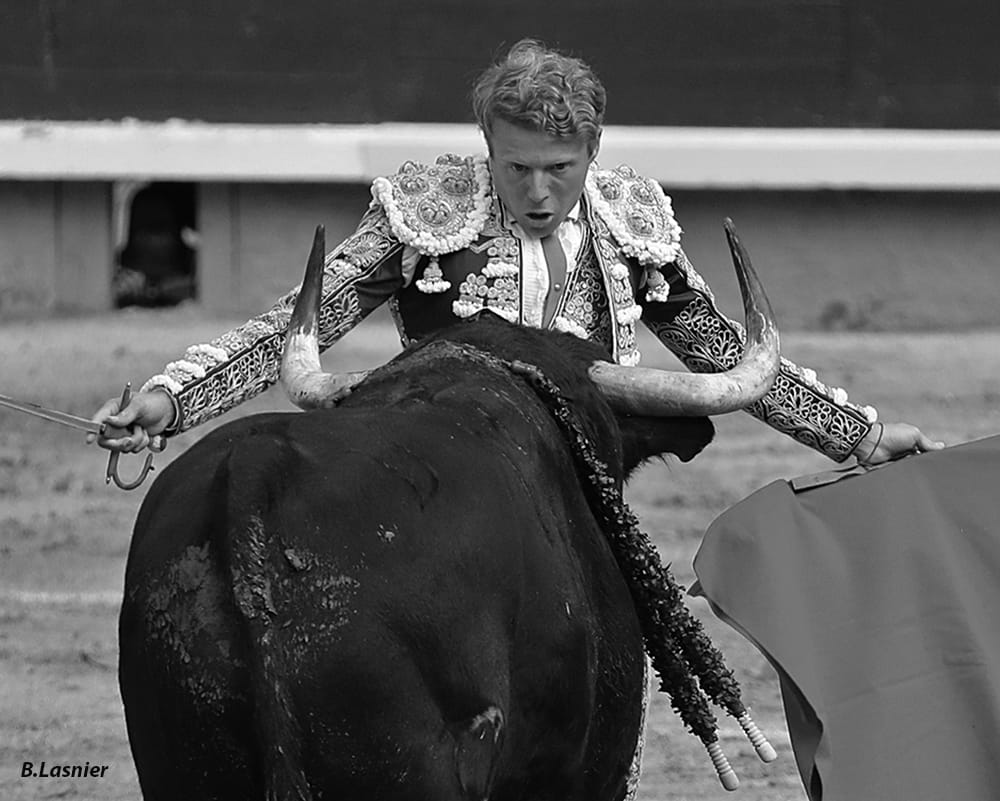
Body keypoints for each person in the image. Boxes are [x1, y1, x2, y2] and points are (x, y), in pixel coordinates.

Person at [91, 38, 942, 467]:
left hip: (584, 477)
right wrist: (169, 401)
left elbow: (728, 353)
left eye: (559, 170)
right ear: (484, 146)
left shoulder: (631, 222)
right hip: (435, 459)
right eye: (516, 168)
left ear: (593, 152)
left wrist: (859, 438)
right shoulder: (428, 211)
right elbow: (300, 324)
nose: (537, 192)